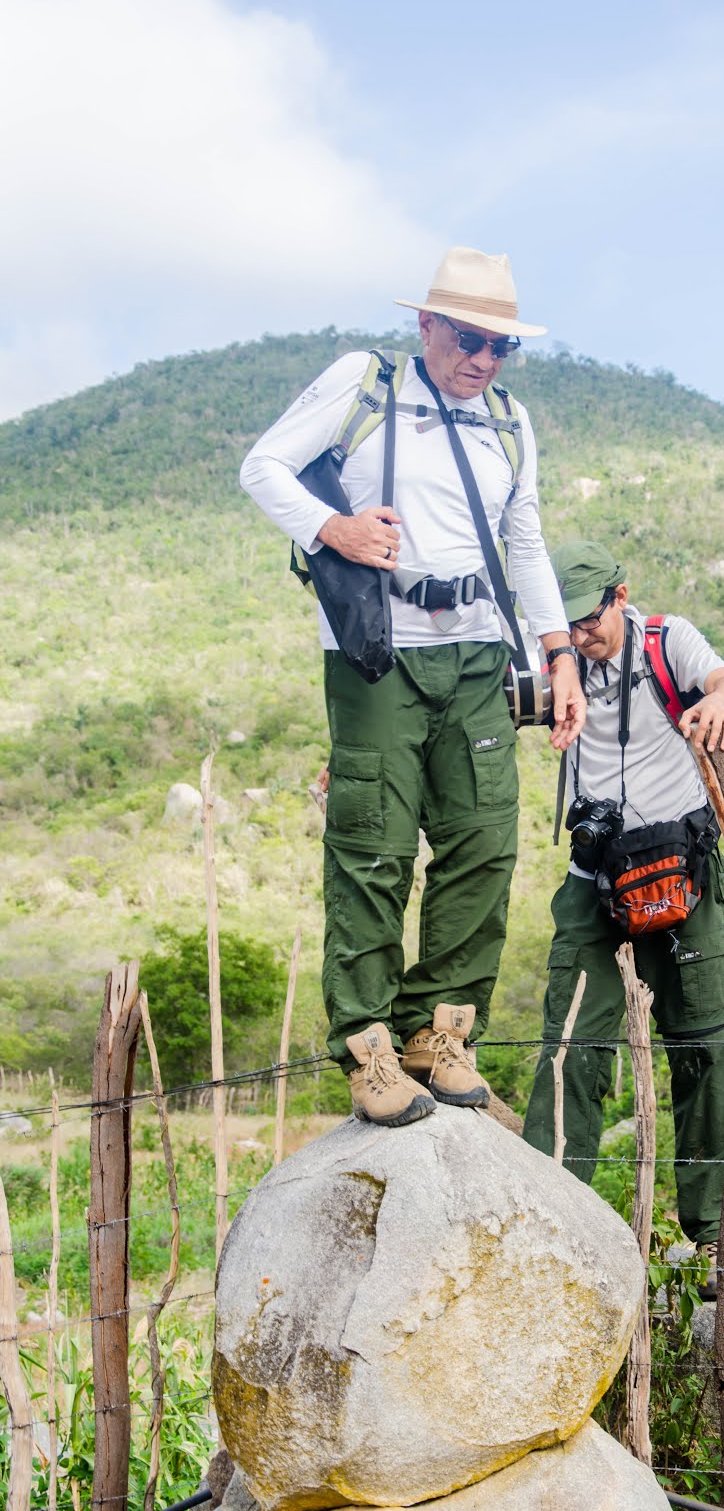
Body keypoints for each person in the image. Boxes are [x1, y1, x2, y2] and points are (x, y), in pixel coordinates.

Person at [240, 247, 585, 1128]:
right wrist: (337, 529)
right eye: (470, 338)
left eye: (501, 347)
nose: (484, 360)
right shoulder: (364, 383)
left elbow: (526, 539)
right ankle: (369, 1051)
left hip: (477, 656)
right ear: (426, 324)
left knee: (483, 843)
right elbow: (264, 467)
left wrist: (559, 654)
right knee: (375, 847)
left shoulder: (509, 418)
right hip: (377, 652)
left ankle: (441, 1037)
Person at [521, 541, 724, 1297]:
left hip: (681, 870)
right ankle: (550, 1224)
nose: (578, 637)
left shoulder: (665, 640)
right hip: (597, 874)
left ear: (621, 596)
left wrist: (717, 702)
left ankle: (713, 1236)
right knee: (571, 1042)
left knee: (706, 1048)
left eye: (588, 621)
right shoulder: (556, 654)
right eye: (566, 626)